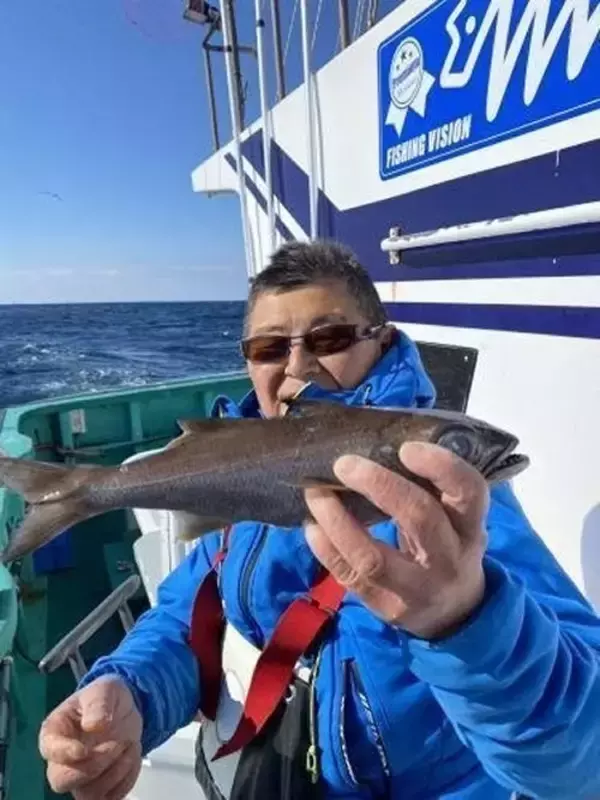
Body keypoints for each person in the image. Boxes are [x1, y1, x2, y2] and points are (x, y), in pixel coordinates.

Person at [38, 240, 600, 800]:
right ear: (248, 364)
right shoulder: (246, 472)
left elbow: (582, 761)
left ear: (381, 342)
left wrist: (465, 620)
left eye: (329, 339)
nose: (299, 363)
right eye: (269, 347)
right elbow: (189, 619)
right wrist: (129, 693)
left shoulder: (456, 514)